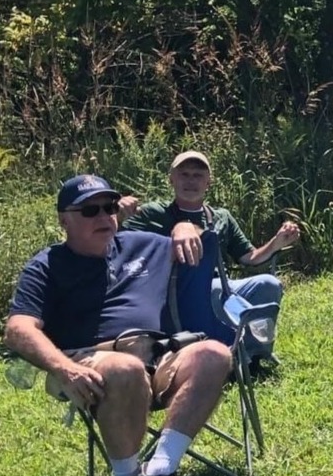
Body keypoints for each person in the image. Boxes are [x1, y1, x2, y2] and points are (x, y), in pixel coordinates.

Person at [5, 174, 235, 476]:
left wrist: (186, 225)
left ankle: (157, 474)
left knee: (214, 354)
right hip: (88, 361)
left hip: (157, 353)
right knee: (125, 368)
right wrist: (64, 368)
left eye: (110, 207)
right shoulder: (46, 266)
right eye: (90, 210)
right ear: (63, 220)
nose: (104, 217)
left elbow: (190, 230)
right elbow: (18, 328)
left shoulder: (142, 244)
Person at [118, 150, 300, 375]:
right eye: (184, 174)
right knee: (214, 290)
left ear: (208, 182)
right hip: (177, 293)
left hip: (220, 284)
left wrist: (275, 243)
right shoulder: (153, 213)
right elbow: (116, 242)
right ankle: (224, 353)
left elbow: (250, 258)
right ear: (171, 179)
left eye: (198, 175)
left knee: (268, 284)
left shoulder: (221, 216)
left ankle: (252, 355)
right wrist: (117, 214)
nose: (191, 180)